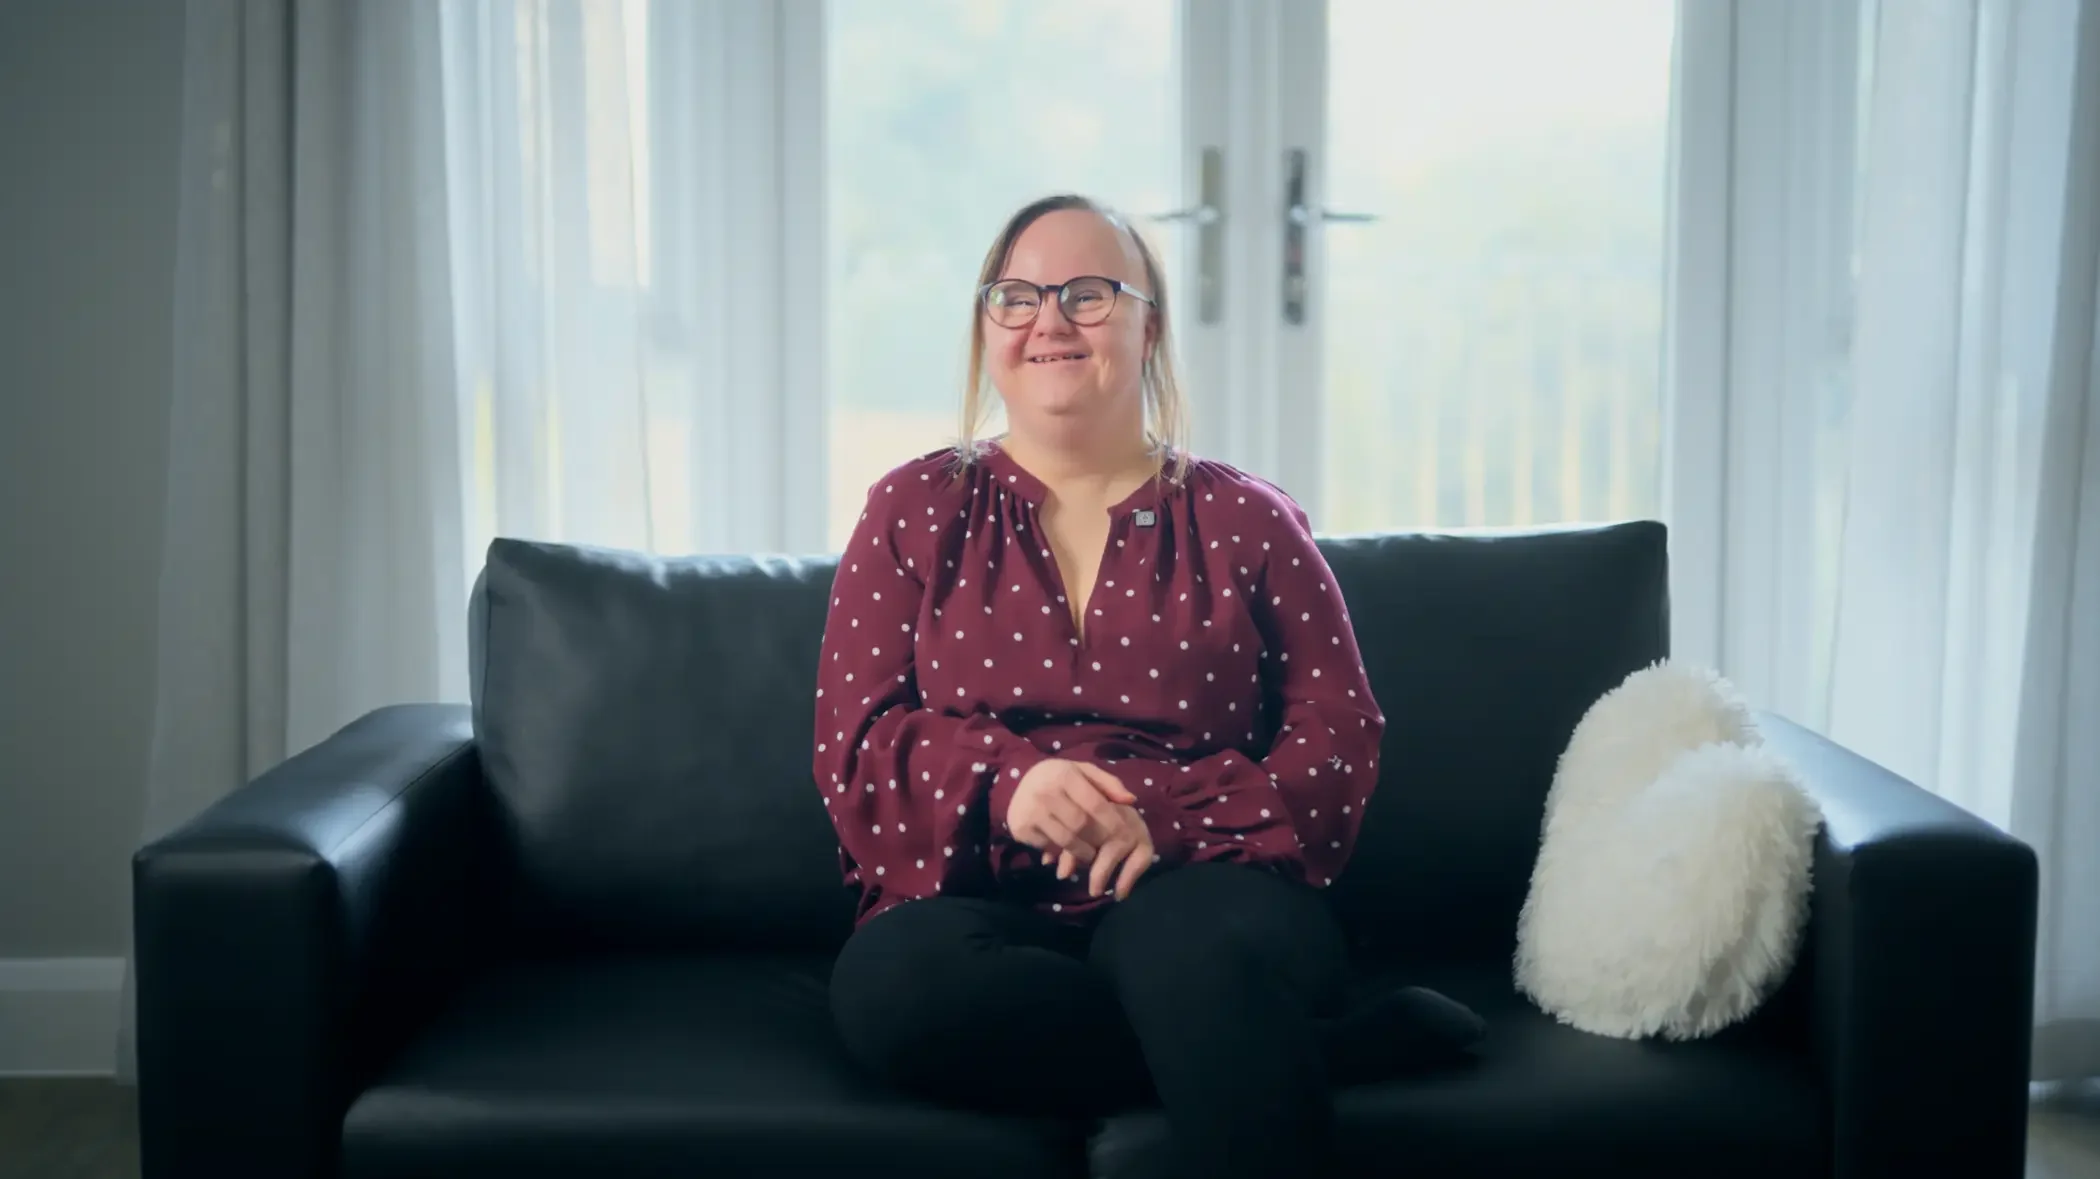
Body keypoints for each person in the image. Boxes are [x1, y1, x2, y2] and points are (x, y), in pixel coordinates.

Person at [813, 194, 1481, 1178]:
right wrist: (1012, 784)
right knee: (895, 992)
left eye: (1086, 294)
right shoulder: (912, 509)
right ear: (986, 325)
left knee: (1197, 963)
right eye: (1017, 296)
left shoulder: (1248, 520)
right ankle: (1325, 1053)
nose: (1048, 320)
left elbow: (1339, 739)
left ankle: (1231, 1026)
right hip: (981, 899)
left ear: (1149, 323)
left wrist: (1164, 818)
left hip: (1203, 889)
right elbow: (857, 743)